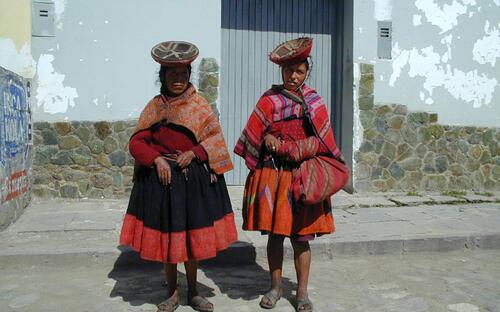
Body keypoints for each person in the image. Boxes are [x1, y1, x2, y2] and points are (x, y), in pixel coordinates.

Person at [120, 41, 237, 312]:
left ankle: (194, 292)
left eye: (183, 74)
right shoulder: (155, 107)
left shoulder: (199, 105)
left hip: (192, 183)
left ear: (189, 75)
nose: (178, 79)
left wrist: (195, 152)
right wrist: (156, 159)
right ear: (162, 76)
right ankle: (172, 293)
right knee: (168, 238)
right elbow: (136, 143)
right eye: (172, 74)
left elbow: (215, 139)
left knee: (191, 239)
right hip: (162, 184)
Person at [234, 37, 344, 312]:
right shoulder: (269, 99)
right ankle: (275, 287)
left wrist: (291, 148)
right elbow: (253, 133)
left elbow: (323, 142)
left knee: (301, 238)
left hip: (303, 176)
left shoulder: (314, 102)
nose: (293, 76)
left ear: (307, 71)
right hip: (274, 176)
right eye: (288, 71)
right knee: (275, 235)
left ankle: (302, 293)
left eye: (299, 71)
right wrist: (267, 137)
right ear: (281, 72)